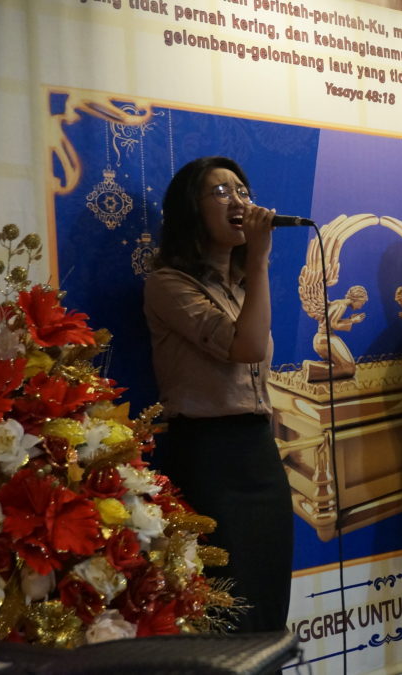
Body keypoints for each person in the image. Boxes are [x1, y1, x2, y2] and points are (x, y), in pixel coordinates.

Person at [144, 156, 294, 633]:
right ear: (191, 209)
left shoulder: (245, 287)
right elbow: (245, 348)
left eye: (242, 191)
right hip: (209, 455)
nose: (239, 201)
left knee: (269, 600)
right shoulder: (168, 284)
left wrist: (254, 268)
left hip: (258, 452)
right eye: (222, 192)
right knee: (230, 607)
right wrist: (260, 258)